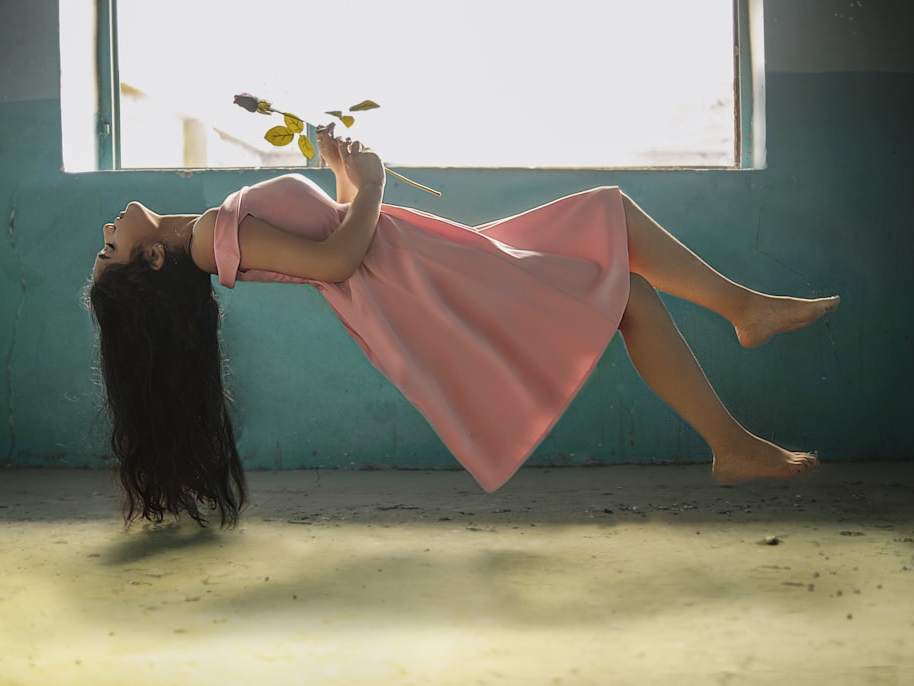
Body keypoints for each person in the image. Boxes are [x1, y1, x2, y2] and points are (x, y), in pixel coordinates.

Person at [88, 125, 839, 528]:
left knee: (626, 286)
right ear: (151, 262)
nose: (106, 232)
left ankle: (733, 423)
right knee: (610, 230)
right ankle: (742, 331)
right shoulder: (214, 233)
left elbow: (336, 232)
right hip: (420, 282)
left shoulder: (213, 234)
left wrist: (344, 174)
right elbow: (343, 262)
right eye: (110, 250)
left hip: (424, 265)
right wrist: (374, 183)